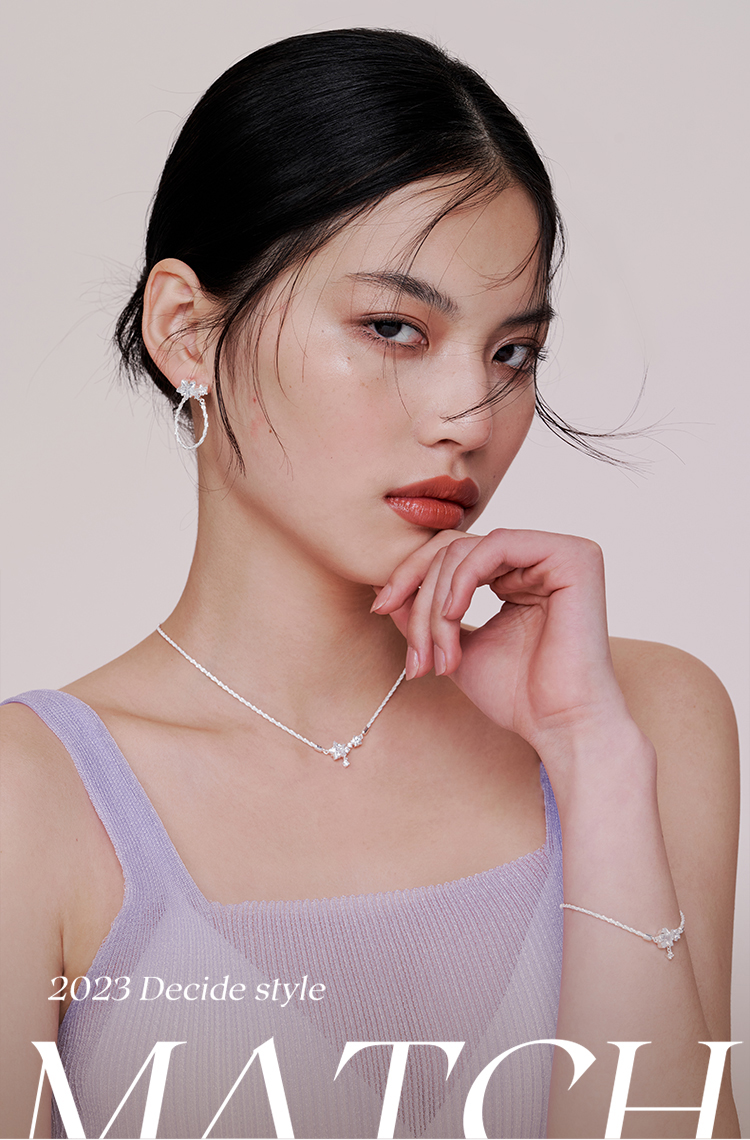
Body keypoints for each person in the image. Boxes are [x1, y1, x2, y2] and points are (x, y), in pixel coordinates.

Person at [0, 27, 740, 1140]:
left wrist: (594, 766)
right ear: (186, 334)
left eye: (512, 353)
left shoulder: (648, 721)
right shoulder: (34, 799)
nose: (469, 416)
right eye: (394, 328)